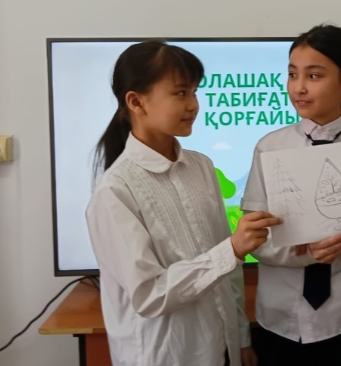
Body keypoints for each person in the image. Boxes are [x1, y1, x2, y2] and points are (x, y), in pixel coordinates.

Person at [86, 40, 282, 366]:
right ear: (136, 101)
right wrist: (232, 249)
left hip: (221, 347)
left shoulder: (201, 166)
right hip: (165, 357)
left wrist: (240, 336)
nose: (193, 105)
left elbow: (228, 271)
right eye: (180, 93)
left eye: (194, 92)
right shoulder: (115, 191)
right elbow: (149, 294)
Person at [241, 24, 341, 366]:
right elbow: (254, 237)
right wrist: (304, 253)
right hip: (279, 321)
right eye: (292, 74)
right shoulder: (270, 147)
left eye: (314, 76)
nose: (299, 87)